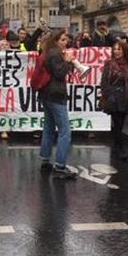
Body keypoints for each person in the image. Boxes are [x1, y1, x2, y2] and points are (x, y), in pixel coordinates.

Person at [38, 30, 77, 179]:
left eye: (66, 39)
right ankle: (60, 165)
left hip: (48, 94)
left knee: (48, 128)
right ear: (55, 41)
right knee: (65, 132)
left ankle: (45, 159)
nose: (65, 42)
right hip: (55, 95)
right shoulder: (55, 54)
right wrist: (67, 61)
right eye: (62, 40)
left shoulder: (49, 52)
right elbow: (59, 73)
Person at [100, 40, 128, 160]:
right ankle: (121, 148)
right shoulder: (109, 64)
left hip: (125, 98)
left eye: (119, 49)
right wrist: (108, 94)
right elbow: (104, 82)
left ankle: (116, 145)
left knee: (121, 124)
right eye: (114, 49)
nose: (116, 52)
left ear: (124, 51)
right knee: (117, 123)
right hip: (113, 98)